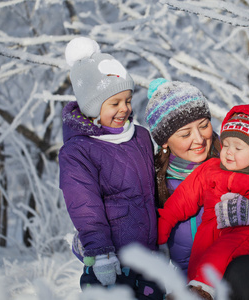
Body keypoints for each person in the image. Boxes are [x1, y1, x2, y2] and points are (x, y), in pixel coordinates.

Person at [144, 78, 249, 300]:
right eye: (186, 133)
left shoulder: (240, 161)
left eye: (204, 125)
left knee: (240, 271)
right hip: (200, 292)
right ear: (164, 141)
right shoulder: (155, 186)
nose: (199, 139)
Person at [58, 37, 163, 300]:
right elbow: (84, 205)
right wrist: (100, 252)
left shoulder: (139, 136)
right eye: (114, 103)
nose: (125, 109)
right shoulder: (78, 150)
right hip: (111, 260)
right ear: (92, 106)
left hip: (148, 257)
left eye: (127, 100)